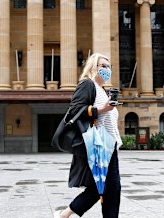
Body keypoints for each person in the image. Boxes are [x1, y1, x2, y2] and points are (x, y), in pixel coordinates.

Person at [55, 53, 122, 218]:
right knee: (102, 187)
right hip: (97, 144)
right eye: (103, 66)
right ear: (93, 67)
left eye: (109, 66)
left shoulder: (103, 91)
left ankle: (64, 214)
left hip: (109, 144)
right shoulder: (87, 84)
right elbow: (76, 109)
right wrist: (101, 110)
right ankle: (65, 214)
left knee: (111, 189)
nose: (107, 69)